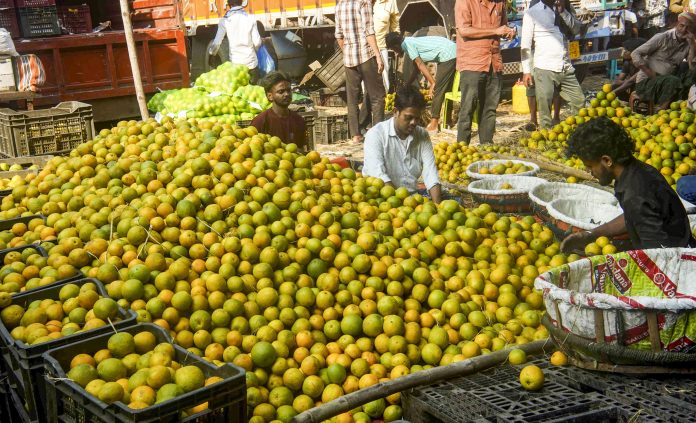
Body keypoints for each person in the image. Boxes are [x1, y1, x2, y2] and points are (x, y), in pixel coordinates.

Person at [561, 117, 693, 253]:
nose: (590, 172)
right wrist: (590, 235)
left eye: (590, 166)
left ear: (607, 160)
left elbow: (659, 256)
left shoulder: (635, 193)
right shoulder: (637, 170)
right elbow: (632, 216)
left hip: (674, 259)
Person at [362, 86, 442, 203]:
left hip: (411, 201)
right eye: (408, 117)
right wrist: (404, 207)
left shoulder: (422, 135)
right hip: (380, 201)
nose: (413, 122)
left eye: (417, 118)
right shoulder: (376, 135)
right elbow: (379, 176)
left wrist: (437, 207)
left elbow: (431, 173)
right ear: (395, 112)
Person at [455, 0, 515, 144]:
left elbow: (503, 27)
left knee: (490, 108)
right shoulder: (464, 2)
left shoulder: (500, 3)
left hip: (494, 62)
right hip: (472, 62)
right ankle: (462, 149)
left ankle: (487, 146)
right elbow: (464, 30)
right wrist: (495, 31)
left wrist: (508, 32)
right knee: (468, 107)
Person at [521, 0, 584, 130]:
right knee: (545, 109)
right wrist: (526, 70)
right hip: (544, 67)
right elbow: (525, 45)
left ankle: (580, 134)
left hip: (565, 66)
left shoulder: (566, 7)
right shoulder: (532, 12)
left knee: (579, 101)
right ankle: (547, 140)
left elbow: (577, 29)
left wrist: (563, 11)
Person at [335, 0, 386, 143]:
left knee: (352, 98)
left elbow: (339, 35)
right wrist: (377, 54)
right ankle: (377, 136)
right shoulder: (364, 3)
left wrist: (347, 51)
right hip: (366, 56)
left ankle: (356, 135)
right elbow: (369, 31)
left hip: (349, 59)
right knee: (378, 97)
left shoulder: (340, 5)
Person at [385, 32, 456, 132]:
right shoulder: (409, 42)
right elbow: (416, 69)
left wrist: (432, 83)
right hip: (451, 50)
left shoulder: (407, 45)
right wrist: (407, 84)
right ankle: (447, 120)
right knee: (446, 88)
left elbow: (420, 64)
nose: (395, 52)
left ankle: (434, 123)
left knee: (438, 89)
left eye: (393, 49)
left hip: (447, 53)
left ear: (396, 45)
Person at [631, 12, 696, 110]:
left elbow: (692, 67)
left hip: (667, 82)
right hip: (647, 82)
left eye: (688, 28)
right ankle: (661, 112)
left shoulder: (689, 42)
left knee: (692, 74)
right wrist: (648, 71)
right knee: (673, 80)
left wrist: (692, 45)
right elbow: (635, 53)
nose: (683, 30)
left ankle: (681, 107)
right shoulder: (662, 37)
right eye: (681, 26)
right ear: (676, 24)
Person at [209, 0, 263, 84]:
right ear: (242, 2)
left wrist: (212, 55)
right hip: (251, 63)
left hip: (235, 65)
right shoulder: (250, 18)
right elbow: (257, 42)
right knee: (253, 92)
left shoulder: (224, 21)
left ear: (229, 4)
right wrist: (253, 52)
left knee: (239, 93)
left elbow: (216, 43)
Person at [251, 72, 307, 151]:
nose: (287, 94)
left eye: (289, 90)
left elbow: (302, 148)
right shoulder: (260, 122)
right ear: (270, 96)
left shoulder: (299, 120)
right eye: (281, 92)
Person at [372, 0, 400, 91]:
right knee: (366, 78)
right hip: (364, 47)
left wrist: (396, 44)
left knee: (384, 75)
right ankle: (367, 103)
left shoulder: (390, 2)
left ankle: (385, 102)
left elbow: (395, 25)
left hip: (381, 46)